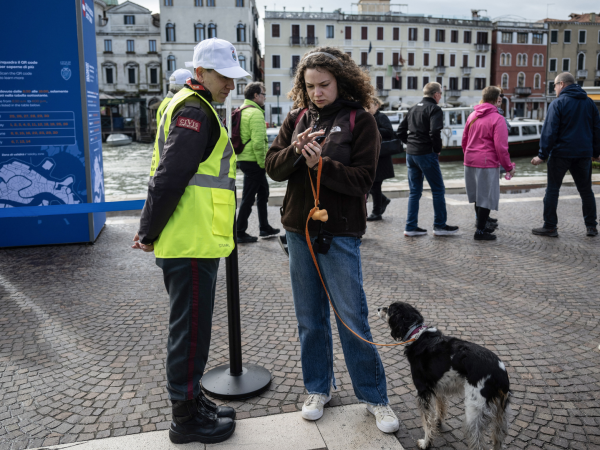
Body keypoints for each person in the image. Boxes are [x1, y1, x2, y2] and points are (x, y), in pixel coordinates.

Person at [265, 47, 400, 434]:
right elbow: (272, 167)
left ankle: (375, 396)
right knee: (310, 318)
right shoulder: (295, 118)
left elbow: (362, 180)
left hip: (339, 231)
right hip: (298, 229)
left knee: (351, 316)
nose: (317, 93)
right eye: (310, 87)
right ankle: (317, 388)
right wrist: (295, 151)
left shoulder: (361, 121)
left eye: (324, 85)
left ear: (342, 81)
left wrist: (320, 163)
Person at [132, 38, 251, 445]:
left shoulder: (186, 103)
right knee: (190, 332)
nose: (231, 85)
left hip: (192, 237)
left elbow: (166, 174)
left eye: (235, 77)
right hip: (191, 240)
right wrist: (148, 231)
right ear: (200, 73)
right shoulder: (194, 111)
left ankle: (193, 401)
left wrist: (152, 229)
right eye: (225, 76)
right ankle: (186, 420)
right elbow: (169, 178)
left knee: (191, 329)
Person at [531, 72, 600, 237]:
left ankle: (550, 226)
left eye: (554, 85)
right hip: (583, 154)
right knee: (586, 191)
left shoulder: (558, 103)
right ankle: (591, 227)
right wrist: (596, 153)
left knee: (553, 190)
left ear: (561, 84)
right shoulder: (590, 103)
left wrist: (542, 154)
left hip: (561, 154)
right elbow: (597, 130)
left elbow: (550, 131)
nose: (554, 89)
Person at [397, 82, 459, 236]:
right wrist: (437, 150)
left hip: (411, 154)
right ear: (436, 94)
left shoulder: (413, 108)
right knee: (438, 190)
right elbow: (435, 132)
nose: (441, 97)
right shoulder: (434, 109)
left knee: (414, 192)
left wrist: (411, 143)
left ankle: (410, 227)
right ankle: (439, 226)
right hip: (426, 153)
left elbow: (400, 131)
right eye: (441, 94)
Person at [462, 86, 515, 241]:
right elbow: (501, 147)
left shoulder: (472, 115)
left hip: (470, 161)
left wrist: (469, 155)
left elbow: (464, 141)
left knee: (478, 196)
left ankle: (482, 226)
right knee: (485, 197)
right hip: (487, 162)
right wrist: (508, 167)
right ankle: (480, 232)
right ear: (496, 98)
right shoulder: (498, 119)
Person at [236, 82, 280, 243]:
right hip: (253, 161)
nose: (264, 97)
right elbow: (258, 143)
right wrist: (264, 164)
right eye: (263, 94)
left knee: (263, 193)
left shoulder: (241, 110)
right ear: (255, 95)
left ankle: (264, 227)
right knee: (249, 196)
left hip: (244, 158)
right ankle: (239, 230)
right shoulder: (255, 113)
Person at [366, 97, 395, 221]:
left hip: (381, 158)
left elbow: (389, 132)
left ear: (376, 105)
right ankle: (383, 201)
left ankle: (376, 212)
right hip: (373, 157)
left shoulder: (381, 117)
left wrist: (373, 130)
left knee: (375, 185)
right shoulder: (368, 118)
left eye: (369, 106)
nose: (367, 109)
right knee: (371, 185)